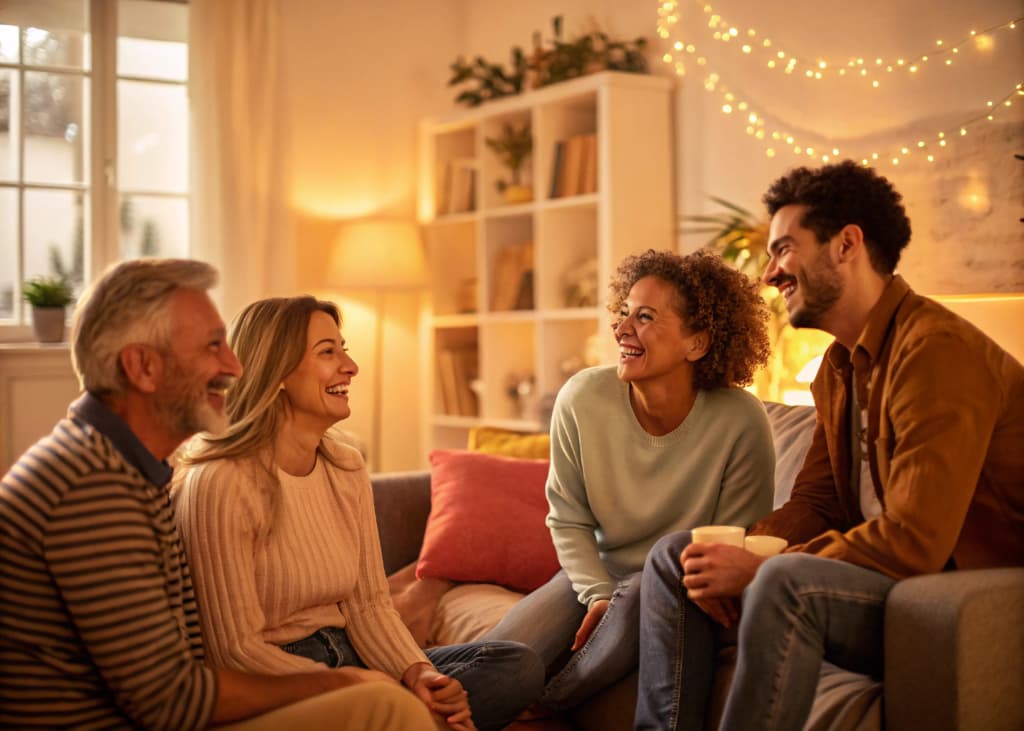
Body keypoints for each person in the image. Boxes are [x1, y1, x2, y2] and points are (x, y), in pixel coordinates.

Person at [636, 161, 1024, 730]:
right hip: (881, 577)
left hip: (957, 590)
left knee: (781, 580)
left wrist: (762, 569)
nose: (770, 274)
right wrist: (742, 552)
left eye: (784, 249)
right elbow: (818, 502)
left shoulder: (936, 353)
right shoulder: (837, 370)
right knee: (677, 558)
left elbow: (914, 540)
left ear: (847, 245)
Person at [0, 259, 437, 730]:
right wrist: (341, 683)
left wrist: (395, 673)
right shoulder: (90, 488)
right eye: (213, 347)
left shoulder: (122, 469)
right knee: (386, 709)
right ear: (143, 367)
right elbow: (172, 701)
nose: (233, 366)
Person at [171, 295, 544, 731]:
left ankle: (412, 719)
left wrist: (416, 672)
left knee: (514, 666)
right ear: (277, 372)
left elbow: (368, 606)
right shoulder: (222, 482)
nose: (350, 366)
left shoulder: (344, 465)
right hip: (276, 680)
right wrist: (348, 685)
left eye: (343, 349)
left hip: (354, 655)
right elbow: (232, 651)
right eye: (328, 352)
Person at [483, 249, 776, 710]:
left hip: (673, 592)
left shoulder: (742, 420)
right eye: (623, 314)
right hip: (593, 575)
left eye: (644, 317)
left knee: (643, 588)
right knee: (502, 660)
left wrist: (638, 597)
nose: (620, 330)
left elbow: (729, 544)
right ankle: (387, 691)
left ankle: (539, 708)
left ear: (696, 343)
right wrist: (598, 594)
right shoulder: (582, 398)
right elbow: (568, 519)